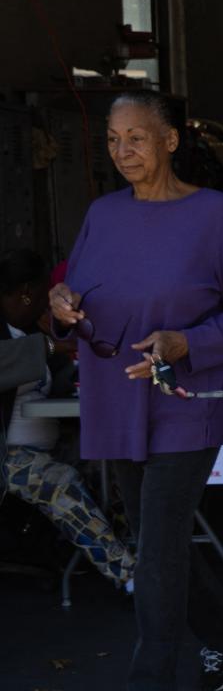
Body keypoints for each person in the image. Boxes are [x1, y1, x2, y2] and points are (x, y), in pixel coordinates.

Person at [48, 90, 223, 691]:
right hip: (115, 395)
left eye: (136, 138)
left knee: (158, 539)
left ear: (171, 139)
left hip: (187, 397)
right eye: (114, 139)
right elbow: (75, 295)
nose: (122, 152)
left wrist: (185, 344)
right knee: (152, 535)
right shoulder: (101, 213)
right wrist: (63, 305)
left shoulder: (214, 213)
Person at [2, 249, 134, 590]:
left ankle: (135, 548)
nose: (49, 307)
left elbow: (61, 380)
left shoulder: (31, 330)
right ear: (26, 293)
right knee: (60, 481)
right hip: (9, 455)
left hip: (49, 441)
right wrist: (48, 345)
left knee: (110, 459)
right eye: (45, 297)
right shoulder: (26, 338)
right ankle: (129, 577)